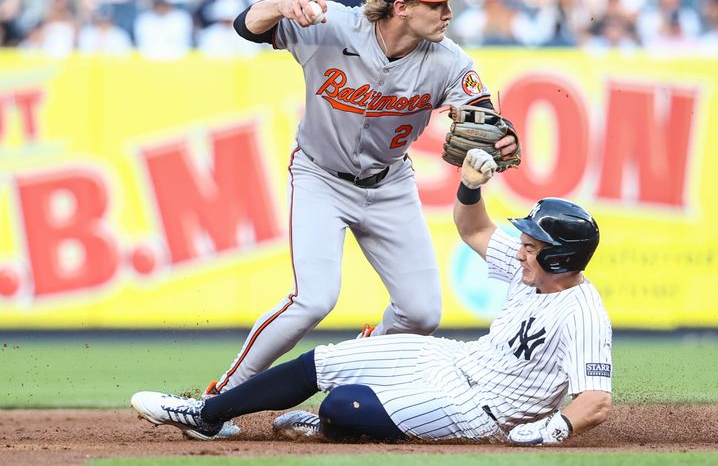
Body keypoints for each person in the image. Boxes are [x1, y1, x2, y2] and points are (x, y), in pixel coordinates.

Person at [195, 0, 519, 438]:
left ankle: (354, 367)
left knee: (422, 312)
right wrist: (282, 5)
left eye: (449, 3)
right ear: (402, 7)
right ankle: (219, 401)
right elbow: (247, 27)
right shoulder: (334, 27)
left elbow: (484, 118)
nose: (448, 13)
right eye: (437, 5)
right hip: (320, 177)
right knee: (313, 299)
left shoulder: (450, 60)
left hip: (389, 185)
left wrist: (503, 137)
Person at [131, 148, 612, 444]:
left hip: (479, 411)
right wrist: (469, 187)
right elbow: (475, 227)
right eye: (526, 243)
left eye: (533, 245)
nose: (522, 250)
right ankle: (207, 414)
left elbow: (595, 400)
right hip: (455, 360)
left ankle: (331, 427)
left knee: (341, 405)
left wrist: (556, 429)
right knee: (326, 361)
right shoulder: (530, 271)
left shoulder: (583, 311)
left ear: (560, 258)